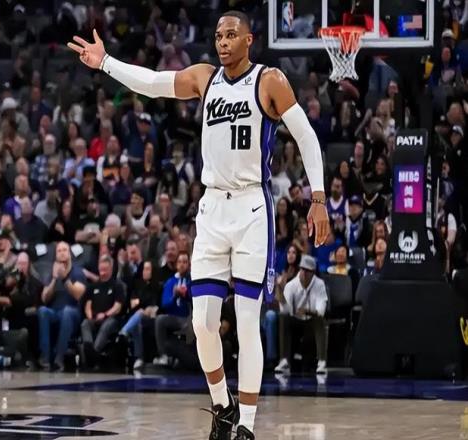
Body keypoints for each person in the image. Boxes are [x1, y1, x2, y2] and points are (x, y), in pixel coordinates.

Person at [68, 11, 329, 438]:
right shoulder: (205, 79)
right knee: (203, 322)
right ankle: (223, 405)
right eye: (219, 35)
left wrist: (318, 198)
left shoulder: (269, 81)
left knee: (247, 321)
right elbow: (153, 82)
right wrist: (106, 62)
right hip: (211, 209)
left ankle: (246, 426)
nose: (223, 42)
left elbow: (306, 137)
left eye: (231, 35)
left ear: (249, 39)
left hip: (251, 208)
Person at [274, 255, 328, 376]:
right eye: (302, 269)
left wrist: (307, 311)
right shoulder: (291, 285)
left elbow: (321, 311)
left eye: (307, 270)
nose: (304, 273)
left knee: (320, 320)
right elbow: (285, 310)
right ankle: (284, 360)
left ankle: (322, 362)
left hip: (311, 321)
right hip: (296, 321)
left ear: (313, 272)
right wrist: (280, 294)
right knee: (283, 317)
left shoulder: (319, 285)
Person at [38, 241, 86, 371]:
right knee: (42, 310)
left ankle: (59, 358)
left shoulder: (78, 272)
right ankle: (45, 358)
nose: (62, 253)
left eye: (64, 250)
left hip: (73, 314)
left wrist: (64, 278)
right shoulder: (51, 274)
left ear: (69, 254)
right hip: (55, 313)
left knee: (67, 311)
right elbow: (44, 298)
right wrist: (54, 279)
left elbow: (78, 294)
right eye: (59, 251)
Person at [81, 255, 126, 368]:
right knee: (85, 323)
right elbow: (88, 306)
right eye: (101, 269)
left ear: (111, 269)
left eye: (105, 269)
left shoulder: (117, 285)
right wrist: (91, 317)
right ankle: (89, 347)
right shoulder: (92, 286)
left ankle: (94, 353)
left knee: (107, 325)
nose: (102, 272)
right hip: (95, 318)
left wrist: (105, 314)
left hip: (111, 318)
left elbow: (118, 307)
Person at [117, 260, 160, 371]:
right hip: (138, 316)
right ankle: (139, 358)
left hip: (153, 317)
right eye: (144, 269)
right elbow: (133, 304)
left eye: (148, 269)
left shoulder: (157, 287)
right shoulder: (137, 285)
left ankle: (123, 332)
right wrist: (143, 305)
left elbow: (154, 305)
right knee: (138, 321)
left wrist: (141, 304)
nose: (145, 272)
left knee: (139, 314)